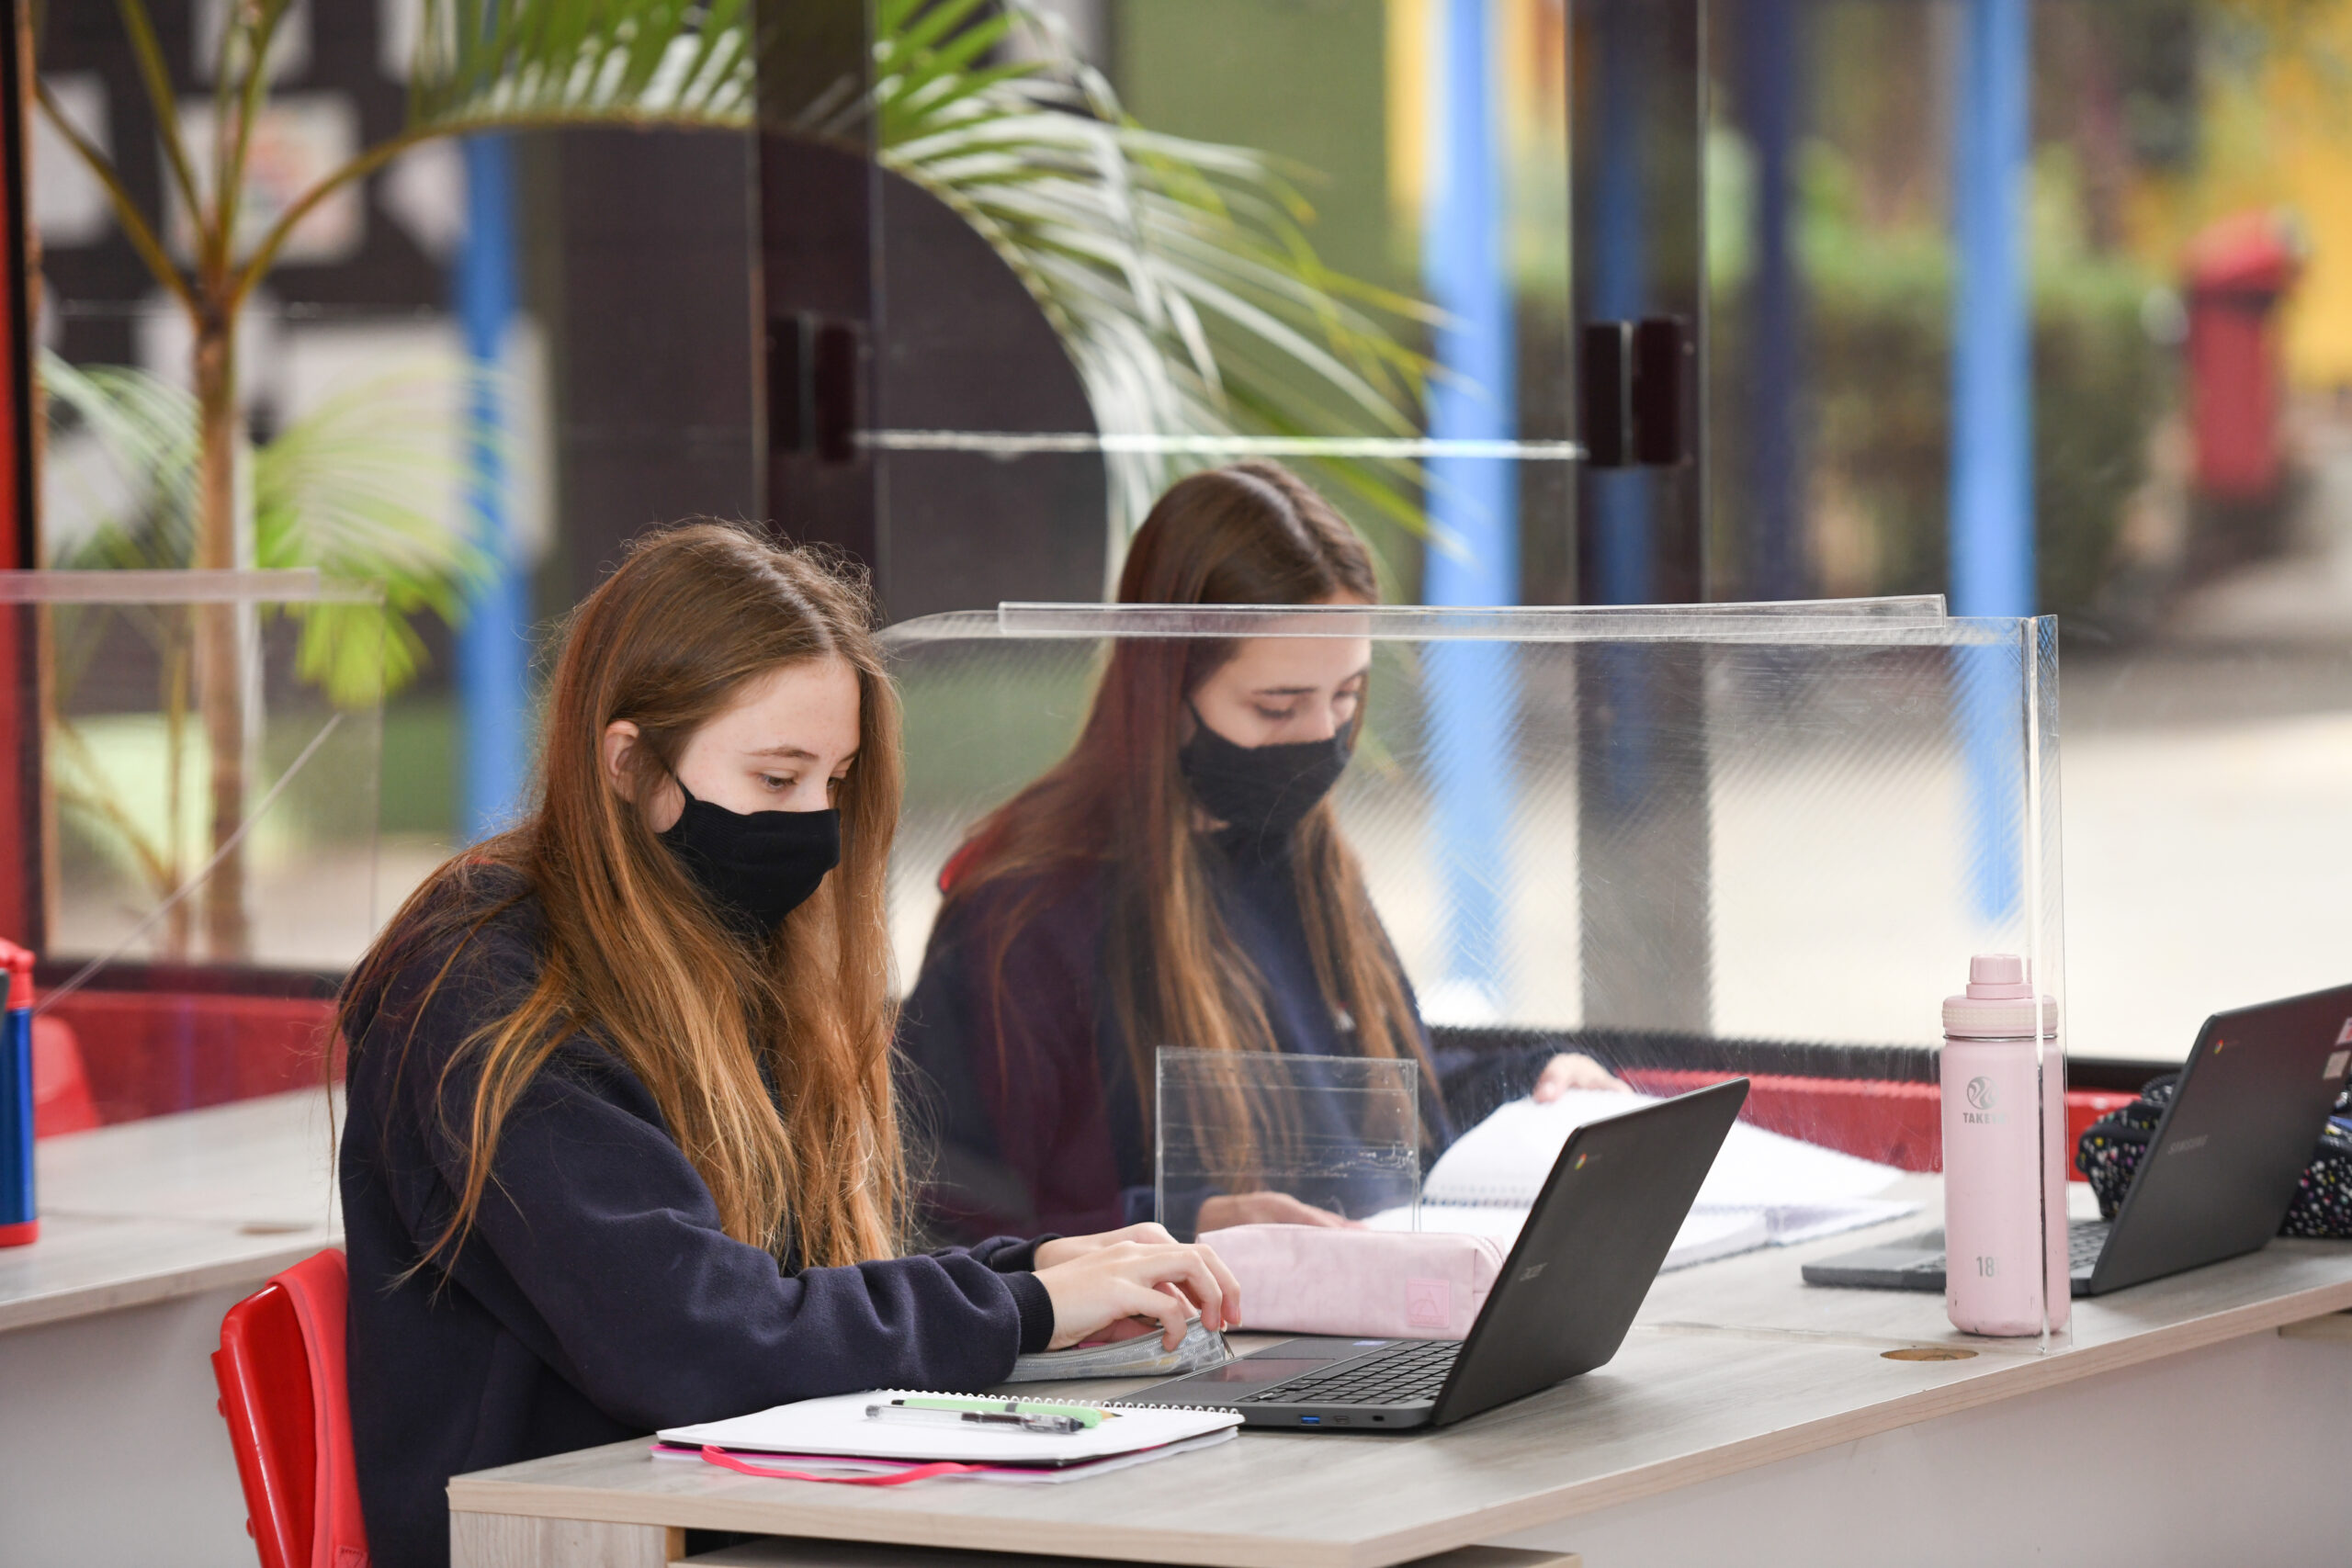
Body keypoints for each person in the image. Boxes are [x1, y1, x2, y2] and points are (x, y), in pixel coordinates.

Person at [337, 524, 1240, 1568]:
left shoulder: (721, 938)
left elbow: (790, 1283)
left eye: (836, 781)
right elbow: (691, 1336)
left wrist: (1031, 1267)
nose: (815, 824)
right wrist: (1021, 1307)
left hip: (734, 1502)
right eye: (775, 780)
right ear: (629, 765)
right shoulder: (485, 980)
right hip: (580, 1538)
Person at [898, 463, 1622, 1246]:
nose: (1320, 737)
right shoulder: (1027, 909)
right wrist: (1177, 1219)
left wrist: (1531, 1083)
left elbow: (1348, 1111)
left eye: (1346, 696)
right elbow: (946, 1214)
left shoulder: (1308, 859)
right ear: (1165, 685)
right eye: (1276, 706)